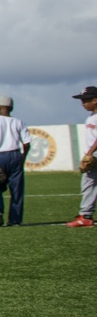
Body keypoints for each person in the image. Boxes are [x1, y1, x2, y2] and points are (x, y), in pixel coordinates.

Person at [0, 96, 29, 226]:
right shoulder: (19, 122)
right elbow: (26, 143)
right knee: (17, 190)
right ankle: (15, 220)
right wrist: (22, 158)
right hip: (15, 155)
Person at [71, 87, 97, 228]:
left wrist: (89, 153)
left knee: (88, 184)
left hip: (95, 155)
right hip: (93, 154)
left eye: (85, 100)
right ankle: (86, 214)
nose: (82, 103)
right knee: (89, 185)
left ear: (95, 100)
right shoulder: (91, 117)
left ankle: (85, 216)